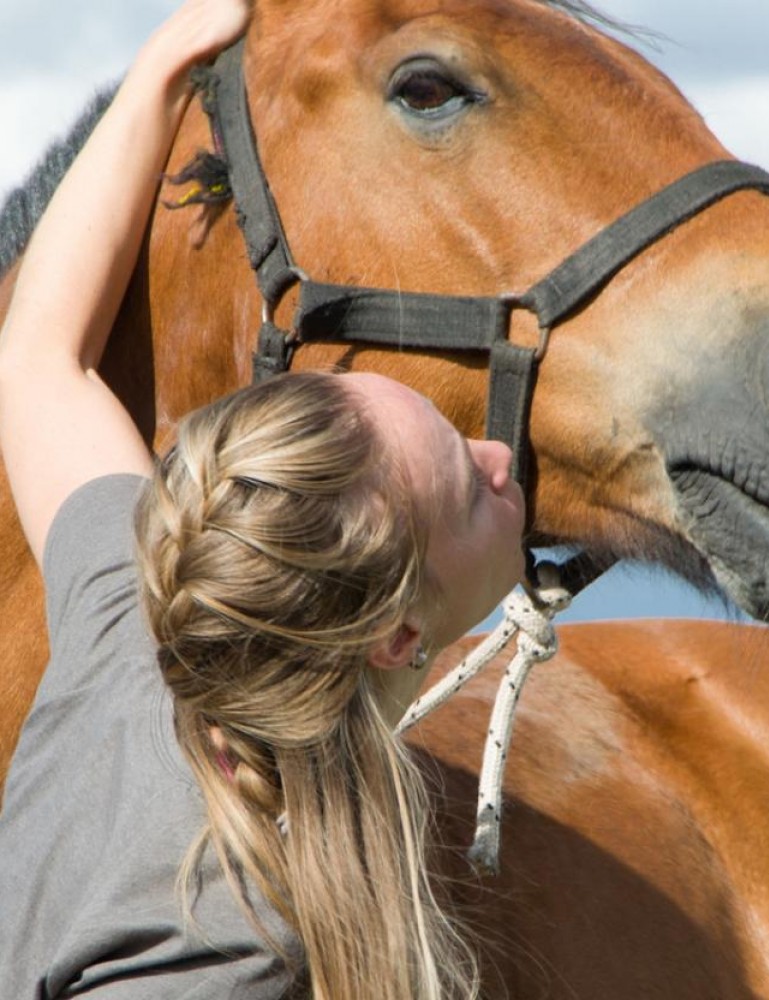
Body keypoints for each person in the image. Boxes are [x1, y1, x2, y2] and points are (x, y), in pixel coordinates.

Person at [0, 1, 525, 997]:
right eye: (465, 486)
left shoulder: (131, 632)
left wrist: (168, 61)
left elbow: (39, 358)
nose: (500, 456)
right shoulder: (221, 938)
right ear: (395, 637)